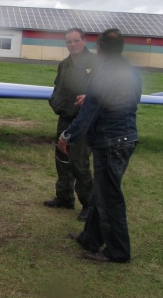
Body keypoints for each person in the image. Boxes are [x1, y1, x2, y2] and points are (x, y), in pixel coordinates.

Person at [58, 28, 141, 263]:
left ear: (100, 48)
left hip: (111, 142)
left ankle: (118, 252)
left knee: (109, 198)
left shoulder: (103, 73)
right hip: (126, 138)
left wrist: (67, 136)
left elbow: (88, 112)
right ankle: (90, 238)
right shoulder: (129, 71)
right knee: (100, 192)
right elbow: (129, 98)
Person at [45, 27, 98, 221]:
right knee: (62, 159)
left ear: (84, 41)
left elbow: (102, 91)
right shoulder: (64, 64)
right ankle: (64, 197)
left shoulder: (95, 63)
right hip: (65, 118)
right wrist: (55, 102)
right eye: (69, 42)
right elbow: (58, 86)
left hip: (84, 121)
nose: (73, 45)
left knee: (79, 163)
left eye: (76, 41)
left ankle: (88, 204)